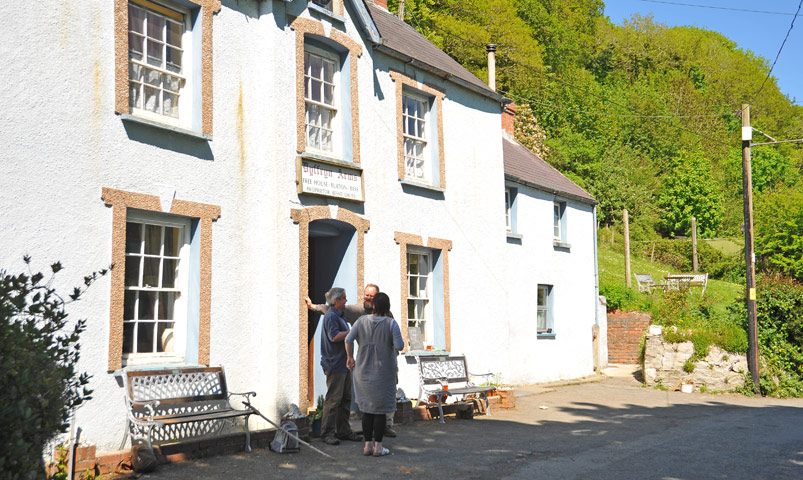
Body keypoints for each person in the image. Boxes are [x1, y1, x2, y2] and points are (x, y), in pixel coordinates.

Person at [306, 284, 399, 437]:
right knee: (337, 399)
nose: (368, 298)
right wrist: (313, 307)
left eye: (372, 296)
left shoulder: (385, 315)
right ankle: (328, 433)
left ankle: (346, 430)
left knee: (347, 398)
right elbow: (335, 333)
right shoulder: (348, 313)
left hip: (361, 363)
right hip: (341, 363)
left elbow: (395, 341)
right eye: (366, 295)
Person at [345, 292, 404, 457]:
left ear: (373, 306)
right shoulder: (391, 324)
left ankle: (367, 446)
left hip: (362, 371)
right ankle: (378, 447)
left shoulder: (361, 321)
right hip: (383, 373)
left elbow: (348, 339)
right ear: (387, 306)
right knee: (380, 411)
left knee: (367, 410)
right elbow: (399, 345)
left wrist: (350, 357)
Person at [319, 287, 363, 445]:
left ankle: (343, 431)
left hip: (343, 364)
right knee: (333, 400)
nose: (346, 301)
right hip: (335, 364)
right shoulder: (331, 316)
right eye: (344, 298)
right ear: (336, 300)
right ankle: (327, 433)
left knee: (345, 399)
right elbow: (334, 336)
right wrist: (353, 331)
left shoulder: (339, 315)